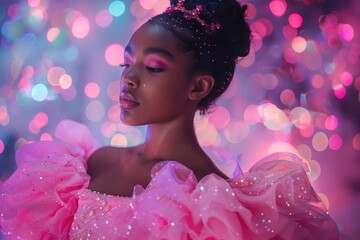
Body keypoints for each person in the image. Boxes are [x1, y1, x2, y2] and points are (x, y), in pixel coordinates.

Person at [0, 0, 338, 239]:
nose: (129, 79)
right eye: (126, 64)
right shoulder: (87, 165)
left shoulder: (219, 208)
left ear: (198, 86)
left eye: (153, 67)